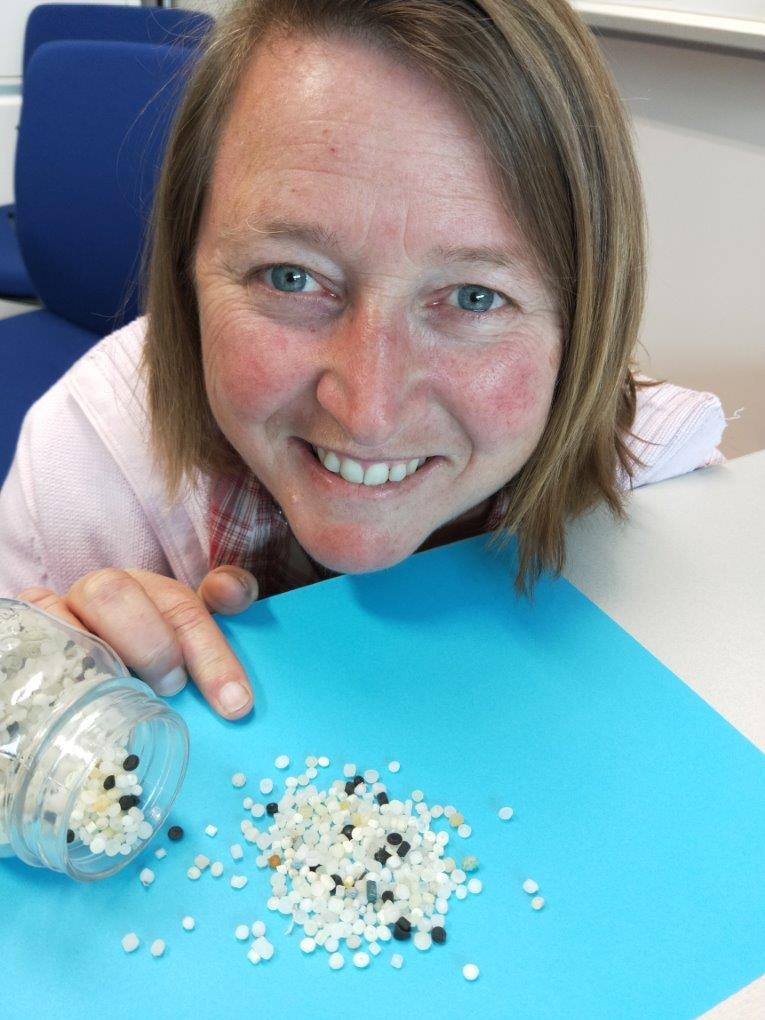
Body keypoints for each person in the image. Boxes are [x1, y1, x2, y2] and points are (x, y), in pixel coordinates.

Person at [0, 0, 725, 720]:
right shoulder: (84, 466)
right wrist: (31, 700)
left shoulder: (665, 497)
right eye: (291, 276)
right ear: (186, 267)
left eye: (473, 297)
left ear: (584, 318)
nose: (368, 411)